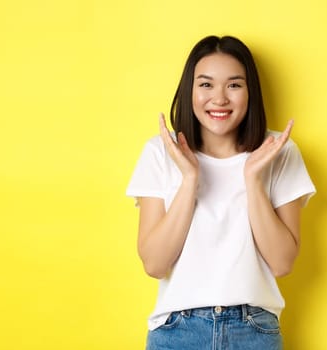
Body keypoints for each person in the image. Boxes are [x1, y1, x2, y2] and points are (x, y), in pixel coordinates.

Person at [125, 35, 316, 349]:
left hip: (253, 331)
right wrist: (189, 179)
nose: (219, 98)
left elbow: (282, 263)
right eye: (206, 84)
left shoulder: (278, 151)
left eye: (234, 85)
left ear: (250, 91)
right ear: (190, 91)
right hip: (176, 332)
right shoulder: (161, 151)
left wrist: (253, 179)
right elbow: (155, 264)